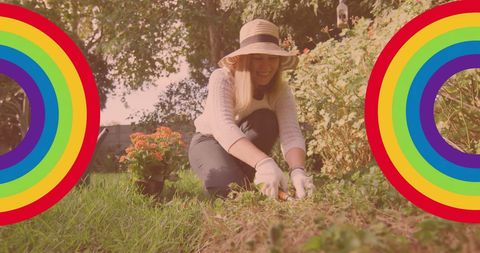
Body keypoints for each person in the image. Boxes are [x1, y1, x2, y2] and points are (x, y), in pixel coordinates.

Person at [188, 19, 314, 199]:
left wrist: (298, 170)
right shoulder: (222, 78)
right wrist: (264, 162)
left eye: (272, 58)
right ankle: (233, 179)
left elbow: (291, 132)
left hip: (246, 147)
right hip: (209, 142)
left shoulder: (281, 90)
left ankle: (247, 179)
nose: (266, 66)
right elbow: (223, 128)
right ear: (244, 60)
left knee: (266, 120)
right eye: (257, 58)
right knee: (232, 193)